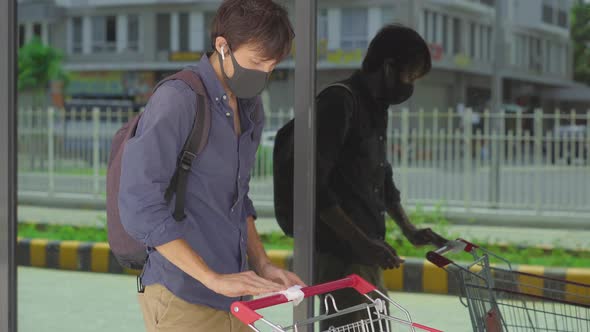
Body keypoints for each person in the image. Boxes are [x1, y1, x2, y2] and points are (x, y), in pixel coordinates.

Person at [117, 1, 303, 331]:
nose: (264, 74)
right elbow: (139, 205)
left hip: (235, 295)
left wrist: (261, 264)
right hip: (181, 293)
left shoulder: (249, 108)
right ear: (222, 46)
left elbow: (237, 200)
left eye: (272, 67)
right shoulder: (179, 99)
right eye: (257, 62)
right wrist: (212, 278)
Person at [314, 24, 449, 330]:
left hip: (366, 252)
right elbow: (316, 188)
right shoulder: (340, 102)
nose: (410, 86)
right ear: (389, 68)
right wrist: (362, 243)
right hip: (341, 255)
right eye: (410, 76)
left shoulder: (376, 108)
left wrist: (409, 229)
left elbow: (381, 177)